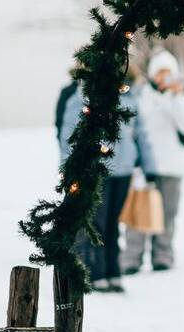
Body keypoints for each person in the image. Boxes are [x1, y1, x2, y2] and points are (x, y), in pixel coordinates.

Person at [58, 65, 147, 293]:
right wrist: (69, 169)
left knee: (113, 224)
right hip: (97, 170)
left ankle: (112, 271)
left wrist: (148, 165)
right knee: (97, 223)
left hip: (124, 170)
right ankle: (95, 272)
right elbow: (68, 136)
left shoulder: (128, 97)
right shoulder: (82, 98)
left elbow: (141, 134)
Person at [121, 49, 184, 274]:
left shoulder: (179, 100)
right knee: (137, 214)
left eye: (168, 73)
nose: (164, 77)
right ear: (153, 74)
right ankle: (132, 258)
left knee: (167, 214)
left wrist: (175, 98)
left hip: (172, 167)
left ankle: (163, 255)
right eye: (160, 72)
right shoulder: (141, 97)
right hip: (144, 167)